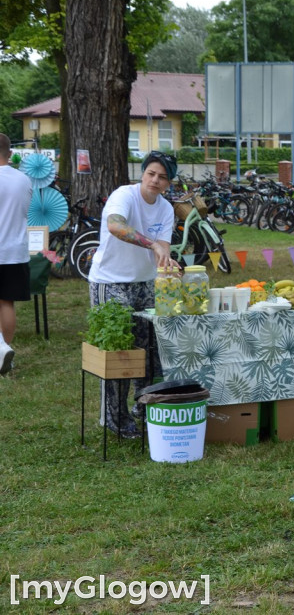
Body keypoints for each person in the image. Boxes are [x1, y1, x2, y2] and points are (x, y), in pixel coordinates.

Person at [88, 151, 178, 437]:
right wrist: (153, 245)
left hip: (146, 283)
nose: (155, 180)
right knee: (120, 353)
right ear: (143, 173)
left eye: (162, 177)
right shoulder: (123, 195)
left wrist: (169, 264)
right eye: (151, 173)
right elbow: (115, 225)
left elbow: (162, 250)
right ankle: (114, 416)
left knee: (150, 349)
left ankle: (146, 406)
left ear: (169, 183)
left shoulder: (165, 209)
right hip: (110, 281)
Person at [0, 134, 33, 375]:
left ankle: (1, 349)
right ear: (9, 153)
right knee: (6, 302)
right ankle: (4, 352)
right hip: (16, 250)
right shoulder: (24, 180)